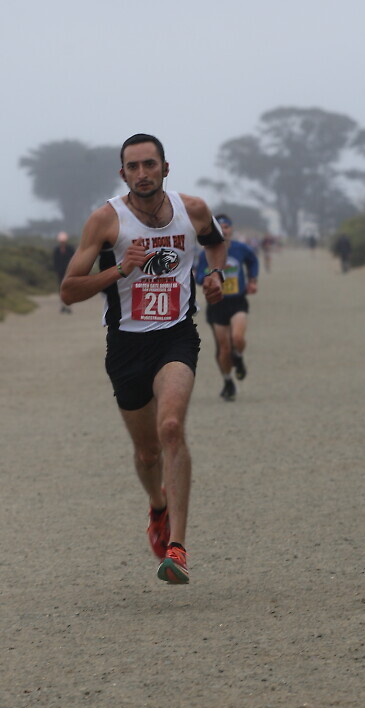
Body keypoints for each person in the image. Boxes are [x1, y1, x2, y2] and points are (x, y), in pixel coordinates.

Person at [60, 133, 226, 584]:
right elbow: (69, 290)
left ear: (165, 168)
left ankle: (178, 548)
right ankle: (157, 504)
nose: (142, 173)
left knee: (170, 427)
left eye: (150, 164)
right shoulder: (105, 220)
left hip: (176, 337)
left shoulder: (193, 209)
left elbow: (215, 243)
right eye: (133, 167)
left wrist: (215, 274)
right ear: (123, 173)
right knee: (147, 451)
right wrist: (120, 269)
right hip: (126, 345)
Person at [195, 214, 259, 401]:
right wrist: (207, 279)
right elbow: (199, 276)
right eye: (220, 227)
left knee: (237, 338)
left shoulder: (241, 249)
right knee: (223, 348)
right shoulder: (206, 253)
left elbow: (253, 261)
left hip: (237, 301)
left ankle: (238, 357)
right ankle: (228, 380)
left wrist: (252, 279)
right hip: (217, 304)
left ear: (232, 229)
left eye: (227, 227)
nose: (224, 230)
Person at [53, 232, 75, 313]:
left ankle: (68, 306)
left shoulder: (70, 249)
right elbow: (55, 262)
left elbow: (73, 260)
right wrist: (57, 270)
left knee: (69, 289)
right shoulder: (56, 250)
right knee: (61, 289)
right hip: (60, 273)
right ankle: (63, 305)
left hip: (69, 272)